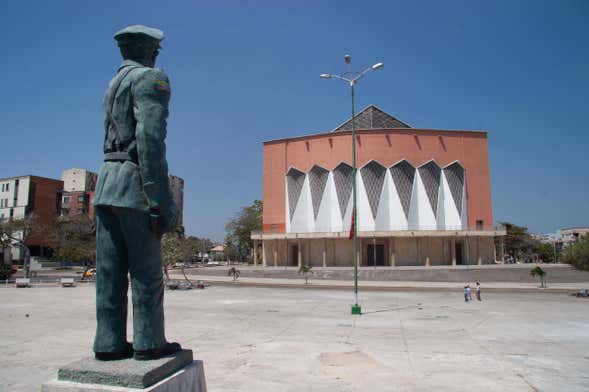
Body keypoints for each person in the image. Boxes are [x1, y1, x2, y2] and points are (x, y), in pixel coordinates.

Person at [92, 25, 180, 361]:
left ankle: (109, 343)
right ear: (150, 51)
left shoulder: (112, 84)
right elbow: (150, 141)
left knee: (110, 274)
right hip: (133, 186)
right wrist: (160, 199)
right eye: (155, 50)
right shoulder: (150, 79)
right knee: (145, 274)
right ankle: (148, 342)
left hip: (106, 184)